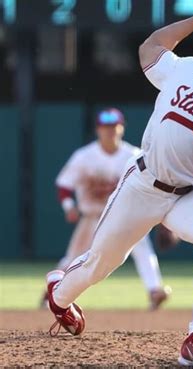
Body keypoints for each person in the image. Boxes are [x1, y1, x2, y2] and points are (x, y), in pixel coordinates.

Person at [45, 6, 193, 368]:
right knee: (100, 264)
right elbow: (149, 49)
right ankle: (59, 296)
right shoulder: (188, 70)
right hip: (142, 184)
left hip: (190, 195)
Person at [43, 108, 172, 311]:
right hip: (93, 216)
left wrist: (164, 222)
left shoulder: (134, 154)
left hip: (125, 215)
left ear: (122, 128)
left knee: (142, 249)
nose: (110, 131)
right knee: (74, 257)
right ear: (98, 130)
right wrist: (69, 206)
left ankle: (155, 290)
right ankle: (53, 291)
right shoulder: (84, 156)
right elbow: (64, 184)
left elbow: (152, 186)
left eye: (114, 126)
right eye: (106, 127)